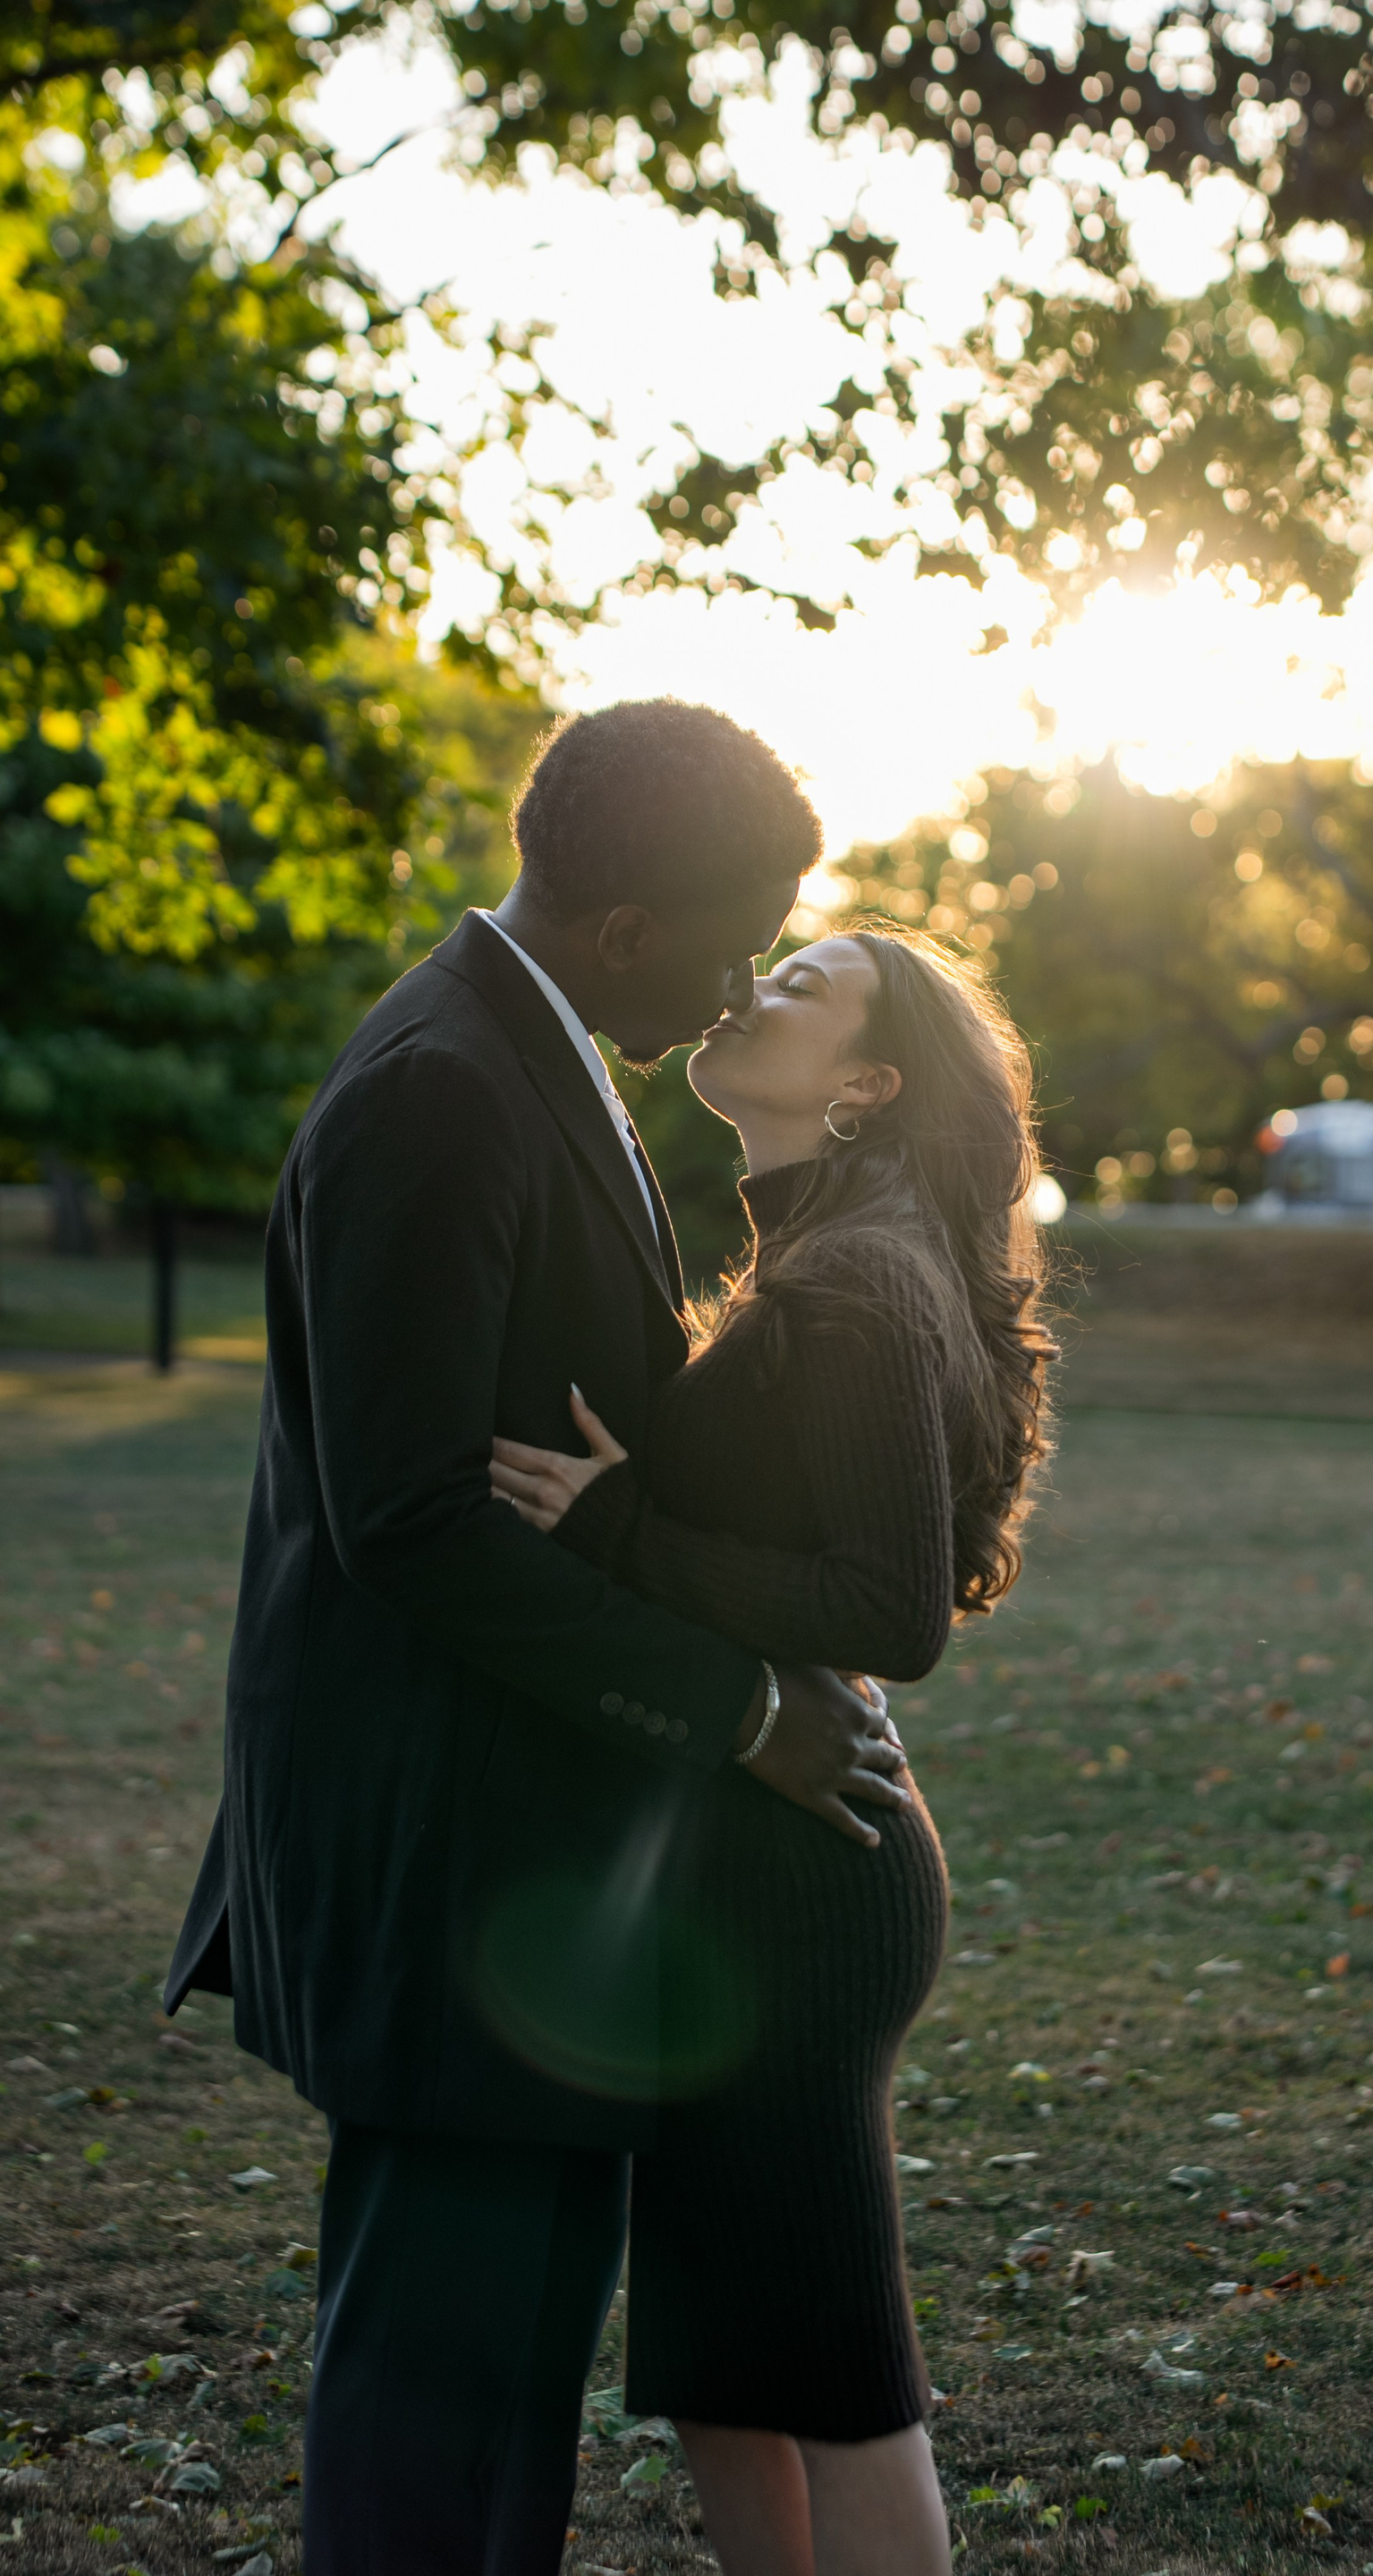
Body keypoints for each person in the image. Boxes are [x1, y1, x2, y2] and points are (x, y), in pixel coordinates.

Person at [163, 700, 913, 2576]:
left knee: (501, 2404)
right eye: (731, 947)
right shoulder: (442, 1085)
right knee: (438, 2405)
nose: (739, 988)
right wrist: (740, 1709)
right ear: (624, 927)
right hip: (451, 1854)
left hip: (536, 1859)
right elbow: (409, 1520)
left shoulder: (530, 1049)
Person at [489, 923, 1055, 2576]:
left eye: (806, 984)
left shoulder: (860, 1284)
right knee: (721, 2367)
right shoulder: (813, 1257)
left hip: (811, 1885)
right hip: (736, 1866)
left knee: (830, 2372)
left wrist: (619, 1530)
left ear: (866, 1085)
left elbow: (890, 1611)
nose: (754, 985)